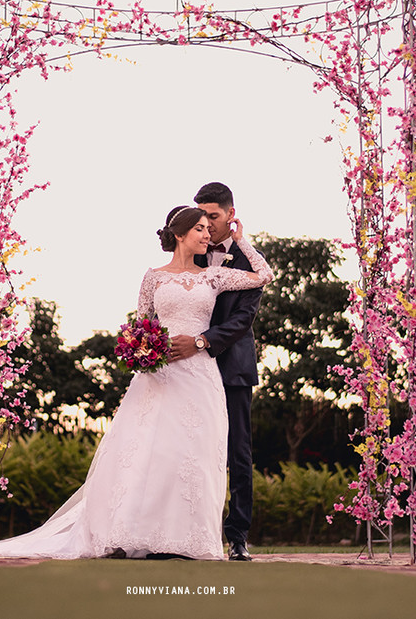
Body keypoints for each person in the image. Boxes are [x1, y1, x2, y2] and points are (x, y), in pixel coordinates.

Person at [0, 205, 271, 560]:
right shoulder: (153, 277)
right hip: (160, 376)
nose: (207, 234)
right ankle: (133, 534)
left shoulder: (213, 276)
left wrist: (242, 240)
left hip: (200, 374)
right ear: (180, 234)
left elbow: (264, 275)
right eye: (200, 228)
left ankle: (185, 540)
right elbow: (141, 326)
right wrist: (143, 353)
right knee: (151, 453)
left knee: (193, 455)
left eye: (207, 228)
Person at [170, 182, 261, 562]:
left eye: (213, 216)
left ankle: (237, 537)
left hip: (232, 367)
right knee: (183, 449)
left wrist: (202, 341)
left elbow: (243, 319)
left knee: (237, 452)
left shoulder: (249, 260)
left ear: (230, 215)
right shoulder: (190, 251)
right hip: (185, 369)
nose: (206, 224)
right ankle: (181, 534)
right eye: (200, 217)